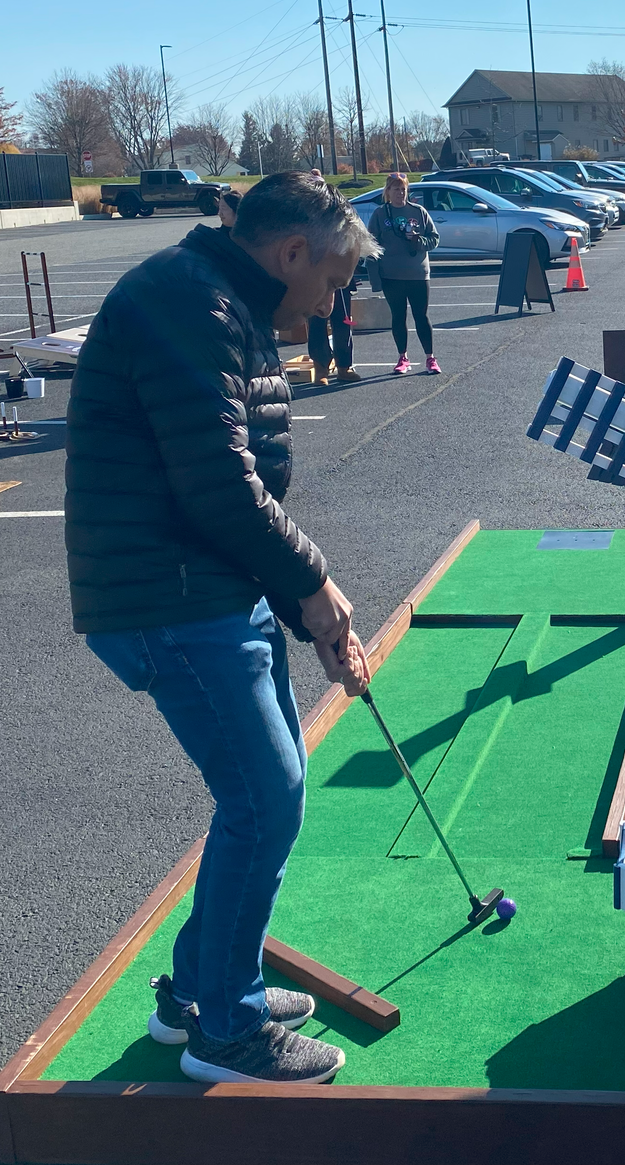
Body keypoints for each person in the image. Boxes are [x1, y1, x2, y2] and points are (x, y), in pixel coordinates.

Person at [65, 171, 379, 1085]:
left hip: (210, 588)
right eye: (330, 282)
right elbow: (217, 486)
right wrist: (315, 589)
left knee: (266, 795)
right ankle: (227, 1035)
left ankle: (200, 989)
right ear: (290, 254)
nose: (331, 303)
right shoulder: (189, 304)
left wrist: (299, 604)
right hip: (170, 600)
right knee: (263, 800)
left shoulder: (225, 303)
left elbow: (235, 490)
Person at [368, 172, 440, 376]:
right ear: (388, 191)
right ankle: (403, 357)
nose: (400, 193)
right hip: (391, 276)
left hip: (418, 274)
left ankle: (430, 358)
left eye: (403, 189)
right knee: (398, 317)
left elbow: (434, 239)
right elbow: (371, 246)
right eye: (395, 189)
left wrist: (419, 240)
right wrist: (375, 279)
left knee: (421, 316)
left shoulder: (419, 212)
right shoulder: (380, 214)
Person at [308, 283, 357, 385]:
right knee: (316, 323)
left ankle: (344, 367)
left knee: (343, 323)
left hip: (339, 279)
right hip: (314, 278)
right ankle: (321, 369)